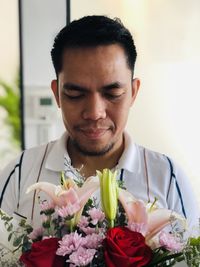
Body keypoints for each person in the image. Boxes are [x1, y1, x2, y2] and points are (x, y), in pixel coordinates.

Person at [0, 15, 199, 229]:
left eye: (112, 93)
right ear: (57, 94)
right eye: (75, 94)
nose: (95, 113)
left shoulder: (168, 179)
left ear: (133, 92)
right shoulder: (20, 174)